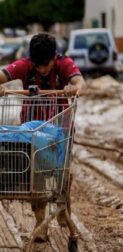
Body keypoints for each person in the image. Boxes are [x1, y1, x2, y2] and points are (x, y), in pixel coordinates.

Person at [0, 33, 86, 242]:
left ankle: (63, 205)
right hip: (31, 133)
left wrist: (73, 88)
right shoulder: (25, 65)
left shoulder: (64, 64)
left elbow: (81, 82)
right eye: (37, 65)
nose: (40, 70)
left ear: (53, 59)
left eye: (44, 65)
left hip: (59, 131)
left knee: (61, 176)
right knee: (35, 177)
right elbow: (2, 74)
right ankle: (41, 223)